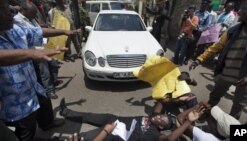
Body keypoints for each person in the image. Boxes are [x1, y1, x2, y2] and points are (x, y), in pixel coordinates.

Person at [0, 0, 77, 140]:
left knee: (44, 102)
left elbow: (38, 31)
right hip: (16, 106)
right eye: (5, 9)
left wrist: (64, 31)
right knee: (26, 132)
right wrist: (31, 53)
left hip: (32, 86)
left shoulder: (13, 29)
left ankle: (47, 123)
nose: (12, 13)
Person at [189, 0, 247, 119]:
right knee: (213, 98)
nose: (239, 12)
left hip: (245, 79)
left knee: (237, 107)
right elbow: (216, 46)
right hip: (227, 73)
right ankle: (205, 117)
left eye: (244, 9)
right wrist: (199, 59)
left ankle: (232, 132)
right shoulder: (234, 30)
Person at [59, 98, 204, 141]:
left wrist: (187, 122)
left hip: (112, 134)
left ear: (161, 127)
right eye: (161, 115)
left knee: (84, 137)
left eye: (161, 119)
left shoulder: (154, 135)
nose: (159, 116)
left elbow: (171, 138)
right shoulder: (153, 117)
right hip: (113, 119)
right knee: (90, 116)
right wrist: (176, 100)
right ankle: (66, 112)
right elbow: (161, 103)